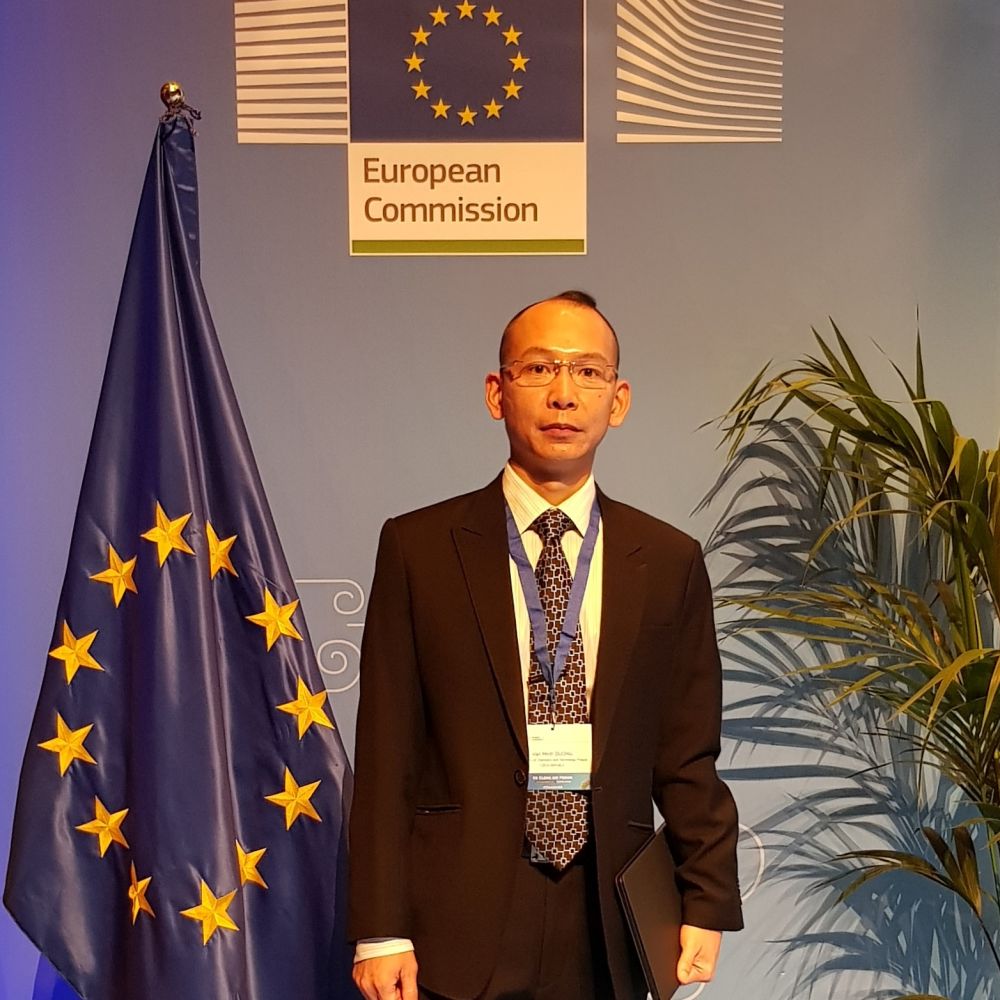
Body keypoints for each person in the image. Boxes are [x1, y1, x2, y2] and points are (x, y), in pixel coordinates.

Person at [349, 291, 743, 1000]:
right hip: (455, 917)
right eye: (539, 369)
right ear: (496, 392)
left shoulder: (668, 560)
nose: (564, 394)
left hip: (607, 915)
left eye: (588, 372)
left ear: (618, 400)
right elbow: (387, 752)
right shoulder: (419, 548)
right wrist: (380, 928)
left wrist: (705, 901)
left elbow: (688, 756)